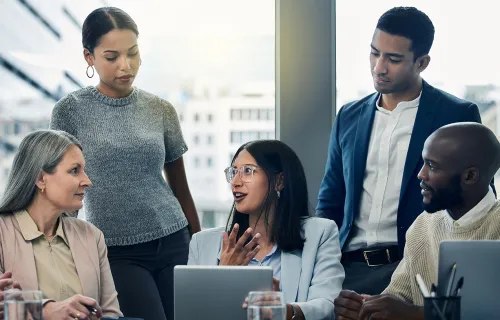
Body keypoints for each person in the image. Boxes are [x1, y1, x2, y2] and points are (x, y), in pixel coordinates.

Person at [316, 6, 488, 294]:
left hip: (422, 270)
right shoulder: (349, 116)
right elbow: (330, 201)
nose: (378, 67)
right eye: (374, 53)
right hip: (347, 272)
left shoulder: (456, 113)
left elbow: (475, 203)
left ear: (422, 62)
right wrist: (321, 271)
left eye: (393, 59)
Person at [49, 7, 200, 320]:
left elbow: (181, 190)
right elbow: (64, 192)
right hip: (114, 251)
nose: (125, 65)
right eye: (111, 56)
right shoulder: (69, 111)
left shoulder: (161, 110)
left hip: (174, 239)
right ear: (89, 58)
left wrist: (201, 253)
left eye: (132, 53)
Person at [334, 122, 500, 320]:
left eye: (432, 166)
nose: (421, 174)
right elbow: (397, 298)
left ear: (470, 176)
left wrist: (416, 315)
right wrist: (367, 308)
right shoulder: (423, 225)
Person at [188, 140, 345, 320]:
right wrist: (224, 277)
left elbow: (327, 305)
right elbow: (192, 313)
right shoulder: (202, 244)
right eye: (234, 172)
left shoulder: (321, 233)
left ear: (279, 181)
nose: (236, 182)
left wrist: (283, 310)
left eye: (248, 171)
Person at [0, 130, 122, 320]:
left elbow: (111, 314)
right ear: (41, 179)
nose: (87, 181)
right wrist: (45, 311)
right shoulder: (2, 234)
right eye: (74, 170)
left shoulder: (92, 236)